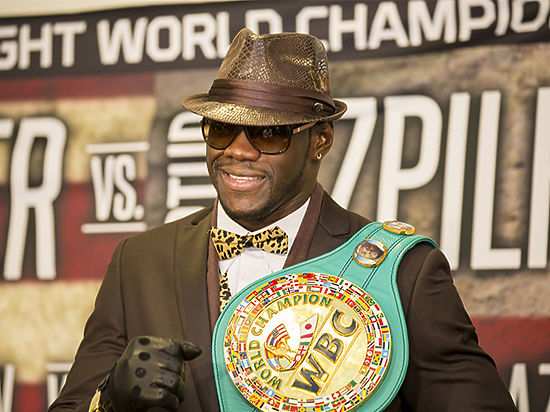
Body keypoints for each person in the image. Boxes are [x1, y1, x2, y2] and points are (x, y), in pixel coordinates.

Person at [50, 29, 517, 412]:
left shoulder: (400, 272)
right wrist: (107, 402)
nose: (237, 150)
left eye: (268, 133)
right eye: (221, 129)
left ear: (321, 140)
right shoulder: (139, 261)